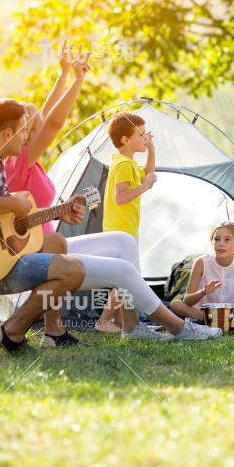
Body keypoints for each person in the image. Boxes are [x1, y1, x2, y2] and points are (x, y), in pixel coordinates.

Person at [0, 98, 223, 354]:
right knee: (104, 269)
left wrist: (52, 214)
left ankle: (130, 325)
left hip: (2, 252)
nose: (27, 138)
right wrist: (11, 204)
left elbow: (4, 222)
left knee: (100, 242)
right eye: (24, 131)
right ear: (9, 132)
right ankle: (178, 327)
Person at [3, 41, 91, 345]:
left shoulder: (27, 161)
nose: (44, 137)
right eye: (35, 130)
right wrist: (78, 80)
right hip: (24, 242)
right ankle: (49, 329)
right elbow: (53, 121)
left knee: (57, 242)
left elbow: (46, 116)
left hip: (39, 236)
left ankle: (53, 330)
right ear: (27, 133)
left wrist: (63, 75)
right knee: (58, 246)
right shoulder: (22, 159)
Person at [94, 110, 157, 334]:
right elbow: (119, 197)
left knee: (125, 278)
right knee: (127, 279)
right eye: (140, 135)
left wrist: (151, 149)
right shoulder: (122, 165)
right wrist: (144, 187)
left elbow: (148, 173)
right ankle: (104, 321)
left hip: (126, 230)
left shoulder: (127, 163)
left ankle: (121, 323)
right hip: (121, 232)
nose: (145, 138)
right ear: (125, 140)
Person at [170, 221, 234, 320]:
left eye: (227, 240)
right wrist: (203, 292)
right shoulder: (201, 262)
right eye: (217, 239)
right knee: (176, 305)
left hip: (232, 314)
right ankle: (216, 320)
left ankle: (218, 321)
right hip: (204, 313)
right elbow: (187, 300)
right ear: (212, 242)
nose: (221, 244)